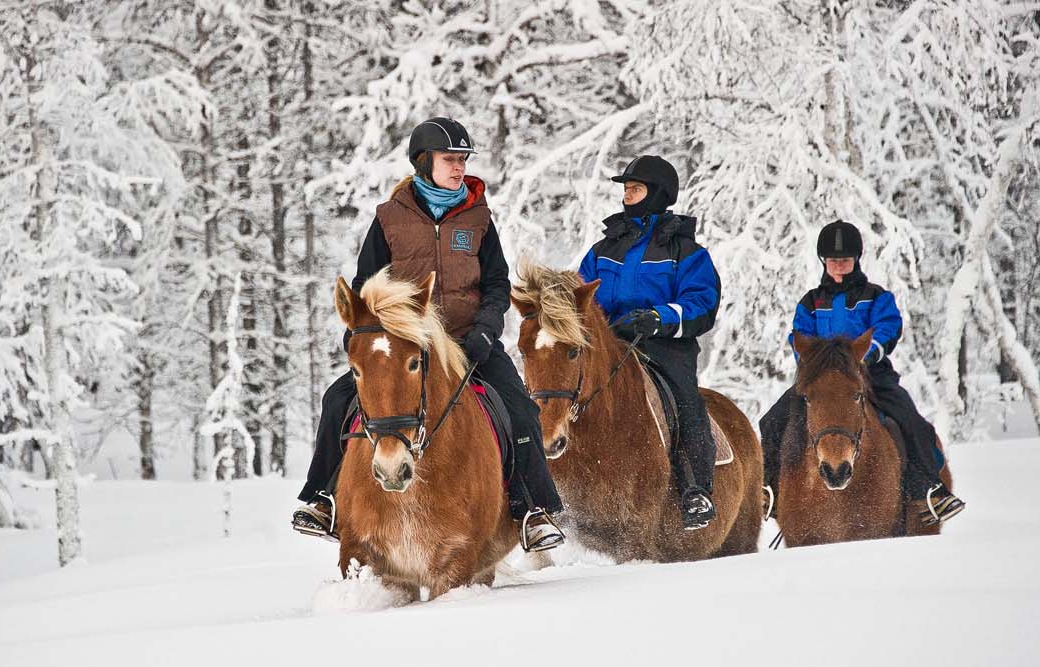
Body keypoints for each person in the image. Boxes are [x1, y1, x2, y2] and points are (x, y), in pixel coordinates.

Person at [291, 117, 566, 552]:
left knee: (519, 408)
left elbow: (496, 282)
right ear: (424, 162)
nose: (459, 168)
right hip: (405, 345)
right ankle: (321, 498)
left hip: (466, 343)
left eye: (462, 160)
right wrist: (362, 334)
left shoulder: (478, 218)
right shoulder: (389, 218)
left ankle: (533, 509)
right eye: (449, 160)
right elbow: (366, 284)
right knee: (337, 400)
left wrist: (486, 330)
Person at [759, 220, 965, 522]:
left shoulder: (876, 296)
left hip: (870, 375)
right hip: (821, 381)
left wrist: (864, 356)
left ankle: (929, 490)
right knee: (772, 421)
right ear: (824, 262)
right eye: (833, 261)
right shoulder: (811, 302)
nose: (839, 266)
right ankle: (770, 490)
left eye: (844, 260)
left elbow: (889, 325)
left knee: (909, 418)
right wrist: (813, 361)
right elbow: (799, 334)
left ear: (856, 260)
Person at [577, 155, 722, 531]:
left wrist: (661, 317)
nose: (627, 196)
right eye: (625, 189)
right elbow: (581, 294)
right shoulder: (603, 248)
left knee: (685, 402)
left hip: (662, 347)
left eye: (635, 189)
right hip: (608, 345)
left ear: (657, 194)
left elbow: (702, 302)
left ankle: (695, 490)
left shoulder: (686, 252)